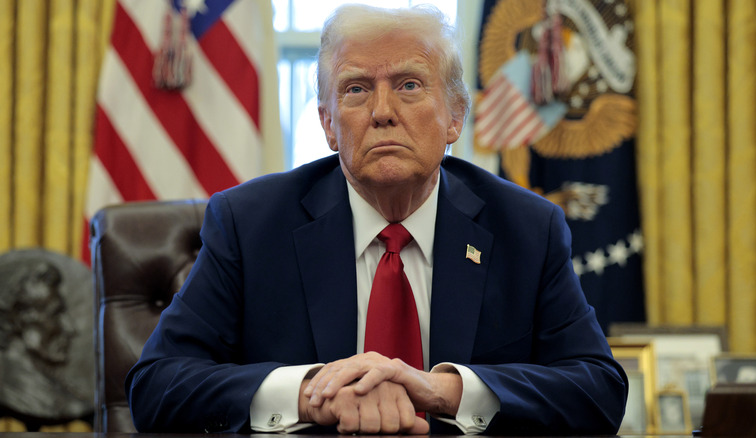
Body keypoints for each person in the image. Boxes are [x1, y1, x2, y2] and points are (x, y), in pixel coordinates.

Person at [126, 4, 628, 435]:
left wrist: (442, 390)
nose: (382, 111)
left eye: (409, 85)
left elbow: (598, 388)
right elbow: (156, 384)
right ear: (328, 123)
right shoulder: (249, 223)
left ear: (455, 115)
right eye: (356, 90)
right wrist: (312, 394)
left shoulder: (527, 228)